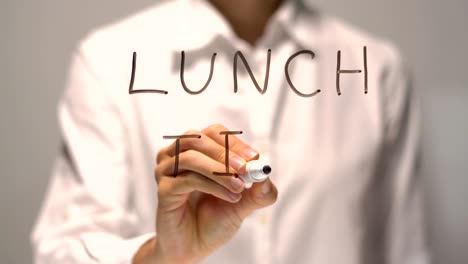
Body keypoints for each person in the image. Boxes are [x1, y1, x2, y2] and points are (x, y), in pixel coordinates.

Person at [31, 0, 429, 263]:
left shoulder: (377, 69)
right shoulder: (111, 59)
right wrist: (160, 256)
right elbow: (63, 250)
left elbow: (405, 251)